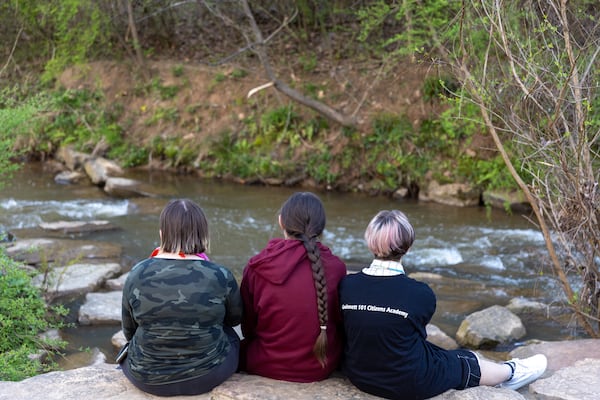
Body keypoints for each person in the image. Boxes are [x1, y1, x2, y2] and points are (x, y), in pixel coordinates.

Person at [339, 209, 548, 400]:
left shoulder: (347, 285)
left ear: (369, 243)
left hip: (361, 376)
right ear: (408, 247)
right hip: (407, 384)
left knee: (437, 352)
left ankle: (504, 370)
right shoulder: (420, 294)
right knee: (462, 361)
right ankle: (511, 373)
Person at [120, 198, 242, 396]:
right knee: (232, 337)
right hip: (207, 375)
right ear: (204, 234)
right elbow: (235, 319)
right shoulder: (220, 274)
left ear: (161, 233)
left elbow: (129, 331)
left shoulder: (137, 272)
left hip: (147, 377)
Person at [239, 191, 347, 382]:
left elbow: (248, 326)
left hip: (264, 363)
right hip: (321, 366)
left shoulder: (259, 265)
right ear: (321, 228)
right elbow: (339, 323)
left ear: (281, 222)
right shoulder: (337, 268)